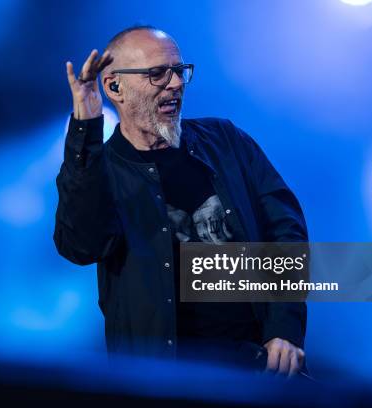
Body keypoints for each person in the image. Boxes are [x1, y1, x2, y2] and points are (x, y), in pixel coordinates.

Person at [54, 25, 307, 376]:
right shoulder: (100, 172)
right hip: (157, 378)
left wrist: (284, 329)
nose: (174, 83)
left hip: (253, 369)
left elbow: (285, 233)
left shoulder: (226, 141)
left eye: (179, 71)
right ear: (115, 87)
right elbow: (80, 246)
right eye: (157, 74)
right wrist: (86, 128)